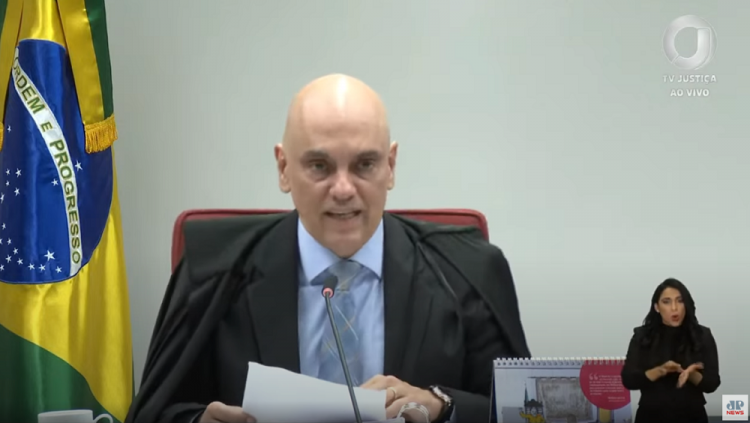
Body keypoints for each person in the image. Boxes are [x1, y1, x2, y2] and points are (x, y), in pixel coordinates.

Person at [125, 74, 531, 423]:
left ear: (390, 167)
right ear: (284, 169)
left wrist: (442, 405)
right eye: (319, 166)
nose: (343, 189)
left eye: (364, 165)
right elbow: (153, 412)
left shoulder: (469, 272)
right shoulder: (213, 272)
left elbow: (527, 412)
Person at [620, 278, 720, 423]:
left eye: (680, 301)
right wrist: (661, 370)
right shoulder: (642, 336)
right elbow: (629, 380)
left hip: (692, 415)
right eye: (666, 302)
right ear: (657, 307)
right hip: (651, 416)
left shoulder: (702, 335)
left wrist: (691, 374)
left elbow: (712, 384)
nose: (674, 308)